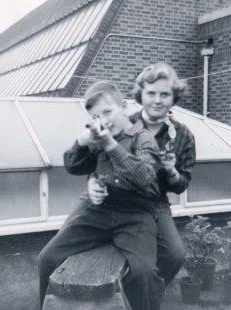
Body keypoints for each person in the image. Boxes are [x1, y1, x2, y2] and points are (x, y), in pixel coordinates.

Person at [38, 81, 164, 310]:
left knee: (144, 274)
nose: (103, 120)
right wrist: (80, 143)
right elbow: (73, 166)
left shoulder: (143, 137)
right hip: (101, 210)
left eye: (108, 111)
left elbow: (144, 176)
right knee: (47, 258)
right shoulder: (99, 137)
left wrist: (110, 144)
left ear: (123, 107)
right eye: (96, 115)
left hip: (137, 215)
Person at [90, 63, 196, 287]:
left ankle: (146, 294)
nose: (157, 100)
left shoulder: (183, 134)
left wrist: (172, 171)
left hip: (154, 204)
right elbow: (99, 160)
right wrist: (92, 182)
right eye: (151, 93)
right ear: (141, 95)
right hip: (115, 199)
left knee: (175, 255)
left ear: (173, 97)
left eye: (165, 94)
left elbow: (181, 185)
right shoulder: (123, 122)